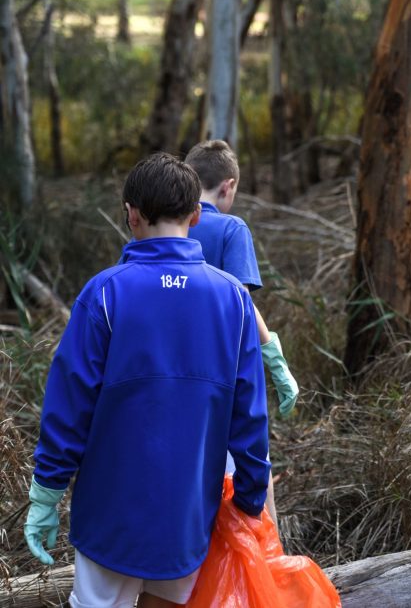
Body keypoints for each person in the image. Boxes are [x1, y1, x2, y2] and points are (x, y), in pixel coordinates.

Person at [24, 153, 270, 608]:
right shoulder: (233, 300)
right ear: (195, 215)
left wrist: (46, 492)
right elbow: (250, 413)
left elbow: (68, 404)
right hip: (188, 516)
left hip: (108, 515)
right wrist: (251, 497)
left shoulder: (104, 292)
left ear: (131, 215)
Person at [184, 140, 299, 420]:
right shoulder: (231, 228)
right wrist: (275, 359)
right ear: (228, 185)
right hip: (215, 365)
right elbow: (240, 302)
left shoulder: (160, 224)